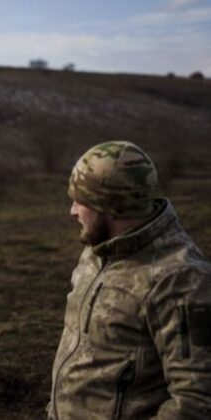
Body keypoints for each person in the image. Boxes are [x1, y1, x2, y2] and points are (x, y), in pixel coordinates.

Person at [48, 141, 211, 419]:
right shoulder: (97, 251)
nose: (72, 211)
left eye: (80, 201)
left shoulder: (179, 279)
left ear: (111, 205)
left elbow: (196, 400)